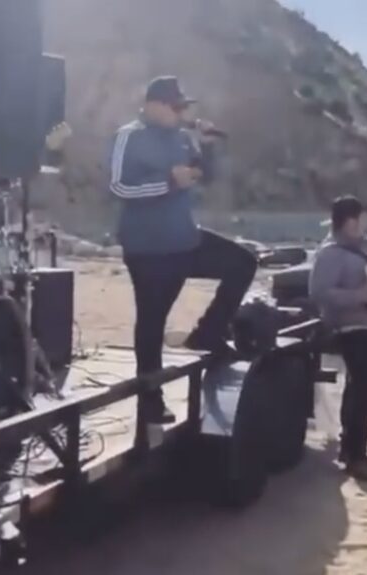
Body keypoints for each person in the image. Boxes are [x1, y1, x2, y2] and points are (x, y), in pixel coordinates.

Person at [109, 76, 257, 424]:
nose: (180, 113)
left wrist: (208, 147)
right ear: (154, 105)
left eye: (182, 107)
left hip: (184, 240)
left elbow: (206, 176)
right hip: (147, 248)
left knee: (242, 263)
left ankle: (208, 332)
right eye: (175, 107)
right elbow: (118, 187)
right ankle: (151, 400)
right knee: (152, 320)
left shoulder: (180, 138)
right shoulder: (129, 136)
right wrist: (166, 183)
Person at [309, 196, 367, 482]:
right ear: (348, 221)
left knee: (361, 390)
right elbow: (320, 293)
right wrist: (362, 296)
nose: (364, 225)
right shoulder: (331, 253)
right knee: (362, 390)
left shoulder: (365, 249)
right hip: (351, 328)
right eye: (360, 219)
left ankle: (354, 451)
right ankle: (355, 456)